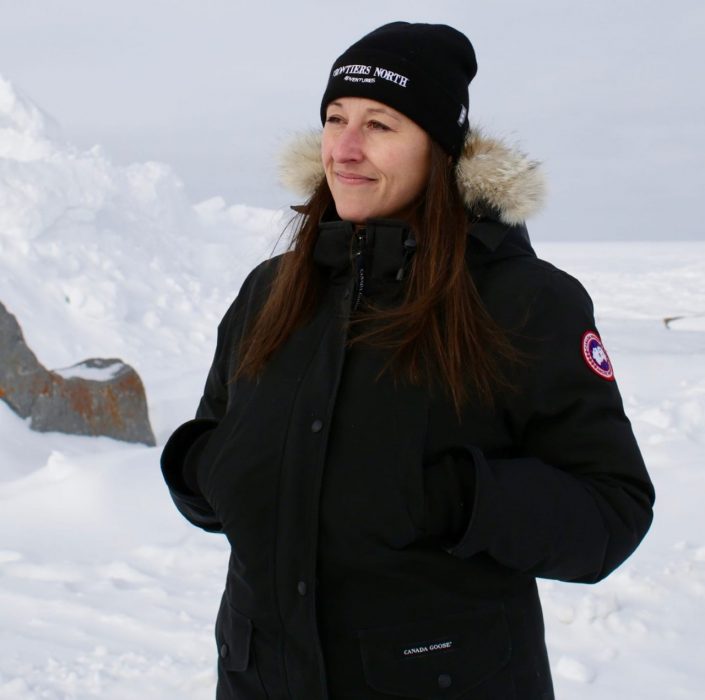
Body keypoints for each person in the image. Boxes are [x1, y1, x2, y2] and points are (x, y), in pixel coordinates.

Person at [161, 21, 654, 700]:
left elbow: (611, 513)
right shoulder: (271, 290)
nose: (346, 149)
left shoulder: (523, 300)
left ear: (440, 150)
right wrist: (203, 469)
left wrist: (454, 498)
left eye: (381, 124)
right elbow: (221, 438)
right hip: (261, 676)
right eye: (335, 119)